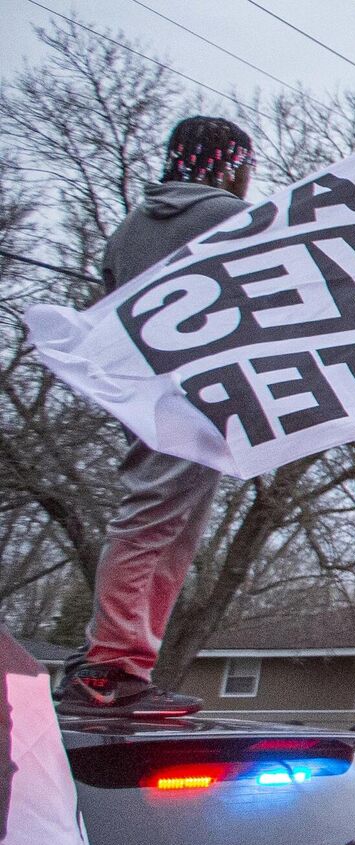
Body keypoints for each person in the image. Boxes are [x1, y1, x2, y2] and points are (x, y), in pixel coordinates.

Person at [51, 117, 256, 718]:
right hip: (196, 392)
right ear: (229, 164)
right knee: (153, 523)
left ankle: (126, 661)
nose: (248, 179)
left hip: (144, 390)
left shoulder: (129, 229)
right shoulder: (229, 218)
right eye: (245, 166)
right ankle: (109, 665)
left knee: (162, 521)